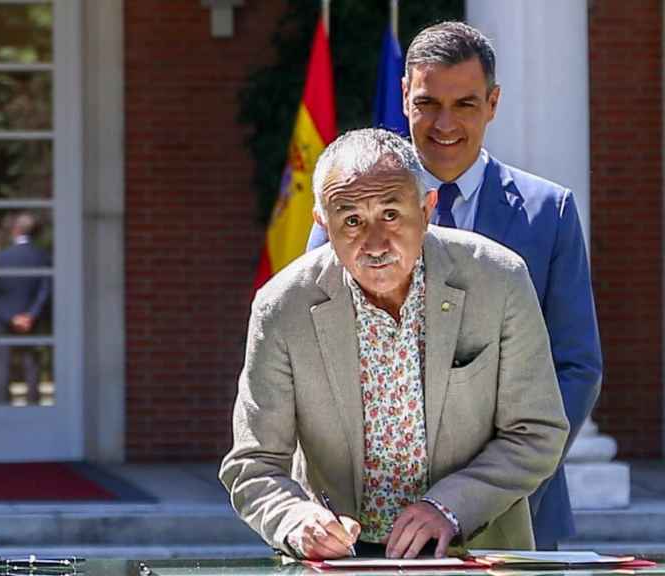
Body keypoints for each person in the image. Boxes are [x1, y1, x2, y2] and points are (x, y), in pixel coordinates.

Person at [305, 21, 602, 549]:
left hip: (515, 517)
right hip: (368, 529)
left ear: (493, 103)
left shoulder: (547, 214)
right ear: (403, 96)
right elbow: (313, 347)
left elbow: (575, 367)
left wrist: (489, 488)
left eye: (465, 104)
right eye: (427, 103)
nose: (445, 124)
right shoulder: (349, 202)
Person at [221, 128, 569, 560]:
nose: (375, 243)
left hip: (474, 552)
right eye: (351, 220)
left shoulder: (499, 280)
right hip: (340, 561)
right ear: (322, 223)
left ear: (426, 209)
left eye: (391, 214)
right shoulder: (281, 308)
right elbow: (254, 465)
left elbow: (537, 432)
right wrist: (296, 520)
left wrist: (448, 507)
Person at [0, 212, 52, 405]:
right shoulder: (44, 257)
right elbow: (46, 289)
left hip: (3, 319)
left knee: (1, 364)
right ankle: (33, 404)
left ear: (16, 230)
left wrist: (10, 316)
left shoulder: (0, 258)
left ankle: (1, 404)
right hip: (32, 319)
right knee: (32, 364)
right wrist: (31, 315)